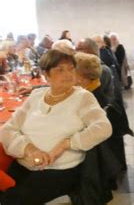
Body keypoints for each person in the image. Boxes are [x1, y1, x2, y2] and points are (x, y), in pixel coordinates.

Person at [0, 50, 112, 204]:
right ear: (46, 75)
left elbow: (103, 127)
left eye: (71, 68)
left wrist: (66, 144)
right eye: (60, 70)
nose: (68, 74)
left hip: (59, 169)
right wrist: (30, 149)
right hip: (24, 163)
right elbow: (7, 129)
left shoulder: (82, 97)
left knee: (13, 201)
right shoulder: (36, 95)